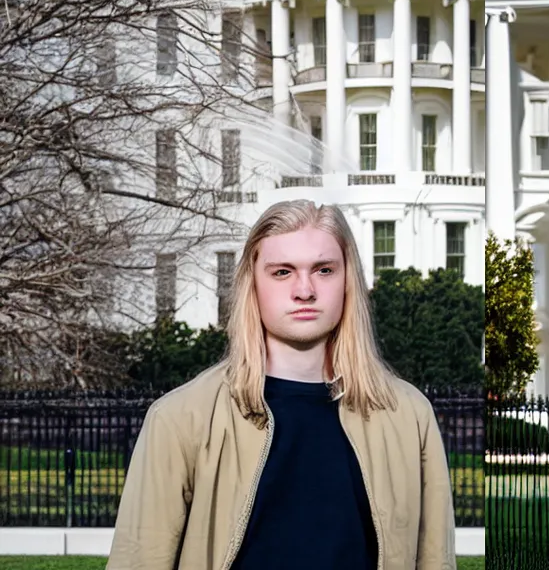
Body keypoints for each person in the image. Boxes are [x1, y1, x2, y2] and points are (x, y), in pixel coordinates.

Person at [109, 198, 458, 570]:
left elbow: (436, 560)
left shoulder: (407, 416)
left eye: (324, 270)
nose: (304, 290)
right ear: (253, 283)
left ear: (347, 281)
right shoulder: (180, 419)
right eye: (282, 272)